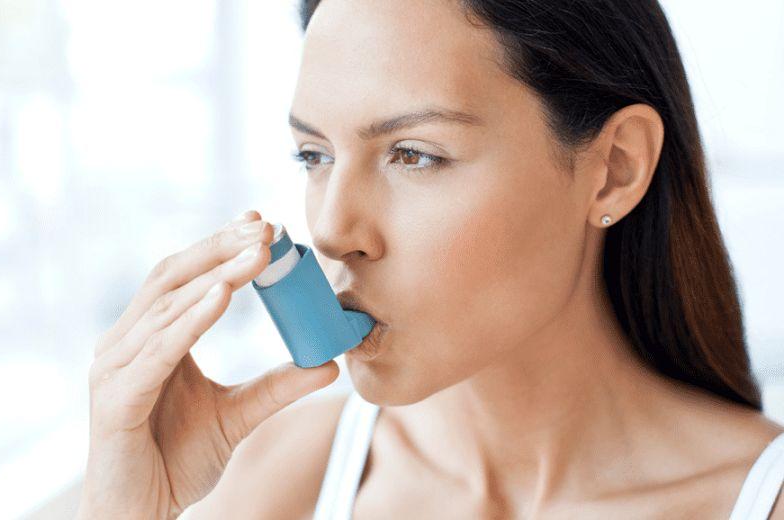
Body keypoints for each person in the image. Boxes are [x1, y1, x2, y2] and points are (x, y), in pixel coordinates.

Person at [76, 1, 784, 518]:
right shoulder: (277, 479)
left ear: (614, 169)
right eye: (314, 156)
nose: (332, 229)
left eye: (413, 154)